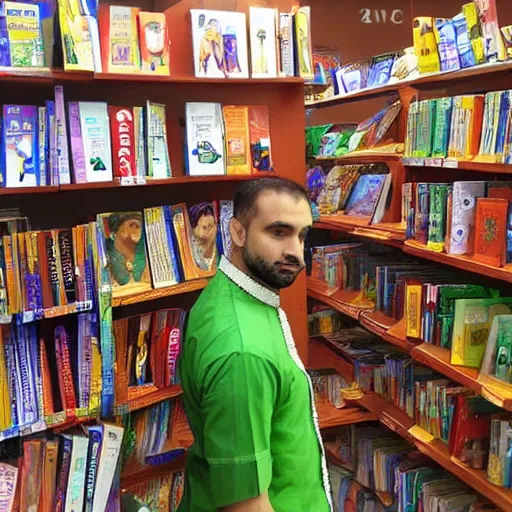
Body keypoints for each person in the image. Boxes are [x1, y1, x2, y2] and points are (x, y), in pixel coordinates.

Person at [178, 177, 332, 512]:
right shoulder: (243, 351)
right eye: (278, 232)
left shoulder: (236, 295)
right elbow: (245, 506)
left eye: (302, 235)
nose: (295, 251)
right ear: (237, 232)